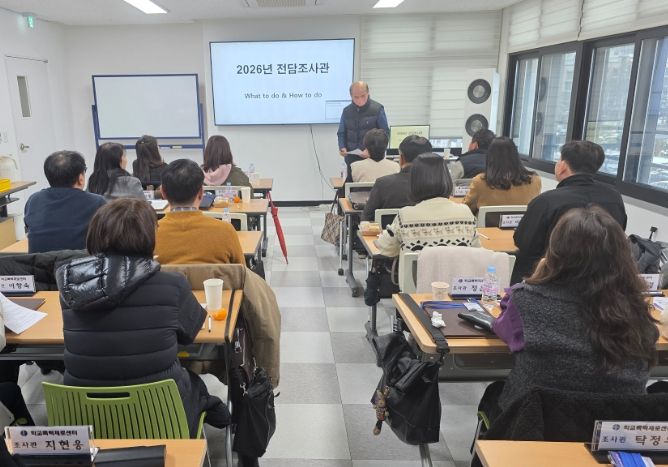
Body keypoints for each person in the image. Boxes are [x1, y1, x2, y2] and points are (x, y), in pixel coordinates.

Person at [56, 199, 230, 437]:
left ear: (94, 235)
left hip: (87, 417)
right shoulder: (173, 284)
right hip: (159, 415)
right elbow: (190, 335)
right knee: (193, 382)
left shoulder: (71, 286)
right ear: (150, 237)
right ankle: (216, 413)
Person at [493, 206, 658, 412]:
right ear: (623, 256)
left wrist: (537, 279)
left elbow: (503, 328)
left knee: (495, 392)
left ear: (555, 252)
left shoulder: (526, 300)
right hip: (616, 423)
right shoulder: (636, 308)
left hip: (537, 421)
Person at [512, 140, 627, 284]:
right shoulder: (614, 197)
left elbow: (524, 243)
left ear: (562, 166)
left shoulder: (547, 201)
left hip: (551, 278)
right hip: (602, 280)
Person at [375, 153, 478, 257]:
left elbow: (386, 248)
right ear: (447, 178)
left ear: (414, 182)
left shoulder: (405, 216)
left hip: (418, 268)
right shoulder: (465, 212)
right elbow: (476, 250)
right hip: (457, 268)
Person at [155, 159, 244, 265]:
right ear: (201, 193)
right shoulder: (226, 231)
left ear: (163, 193)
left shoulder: (151, 236)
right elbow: (241, 271)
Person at [24, 151, 106, 253]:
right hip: (81, 262)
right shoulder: (97, 202)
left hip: (40, 262)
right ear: (80, 178)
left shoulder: (33, 200)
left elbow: (29, 232)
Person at [463, 137, 541, 215]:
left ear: (490, 157)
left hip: (486, 223)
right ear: (516, 156)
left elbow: (467, 208)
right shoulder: (535, 180)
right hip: (523, 223)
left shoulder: (480, 181)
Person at [362, 135, 432, 221]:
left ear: (401, 158)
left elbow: (366, 218)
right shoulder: (436, 187)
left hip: (388, 229)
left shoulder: (383, 184)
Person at [337, 81, 390, 182]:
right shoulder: (346, 111)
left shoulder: (377, 109)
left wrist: (371, 151)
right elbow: (341, 133)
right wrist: (342, 147)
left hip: (373, 159)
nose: (360, 100)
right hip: (352, 158)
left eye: (363, 96)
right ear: (351, 96)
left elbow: (385, 134)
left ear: (368, 93)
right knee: (351, 187)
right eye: (356, 97)